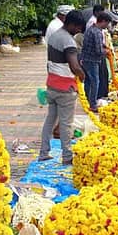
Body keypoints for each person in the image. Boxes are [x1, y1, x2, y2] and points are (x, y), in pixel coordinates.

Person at [38, 10, 86, 166]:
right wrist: (82, 75)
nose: (79, 31)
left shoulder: (54, 36)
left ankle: (44, 153)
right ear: (71, 24)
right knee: (66, 124)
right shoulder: (68, 42)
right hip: (65, 88)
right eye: (78, 28)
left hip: (51, 84)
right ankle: (67, 157)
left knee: (50, 120)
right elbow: (74, 66)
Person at [80, 12, 109, 112]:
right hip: (92, 60)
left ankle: (89, 101)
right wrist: (106, 52)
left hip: (85, 59)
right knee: (95, 82)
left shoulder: (90, 29)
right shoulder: (97, 32)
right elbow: (98, 51)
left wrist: (103, 46)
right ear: (103, 21)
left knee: (88, 81)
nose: (107, 26)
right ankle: (93, 104)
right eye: (107, 23)